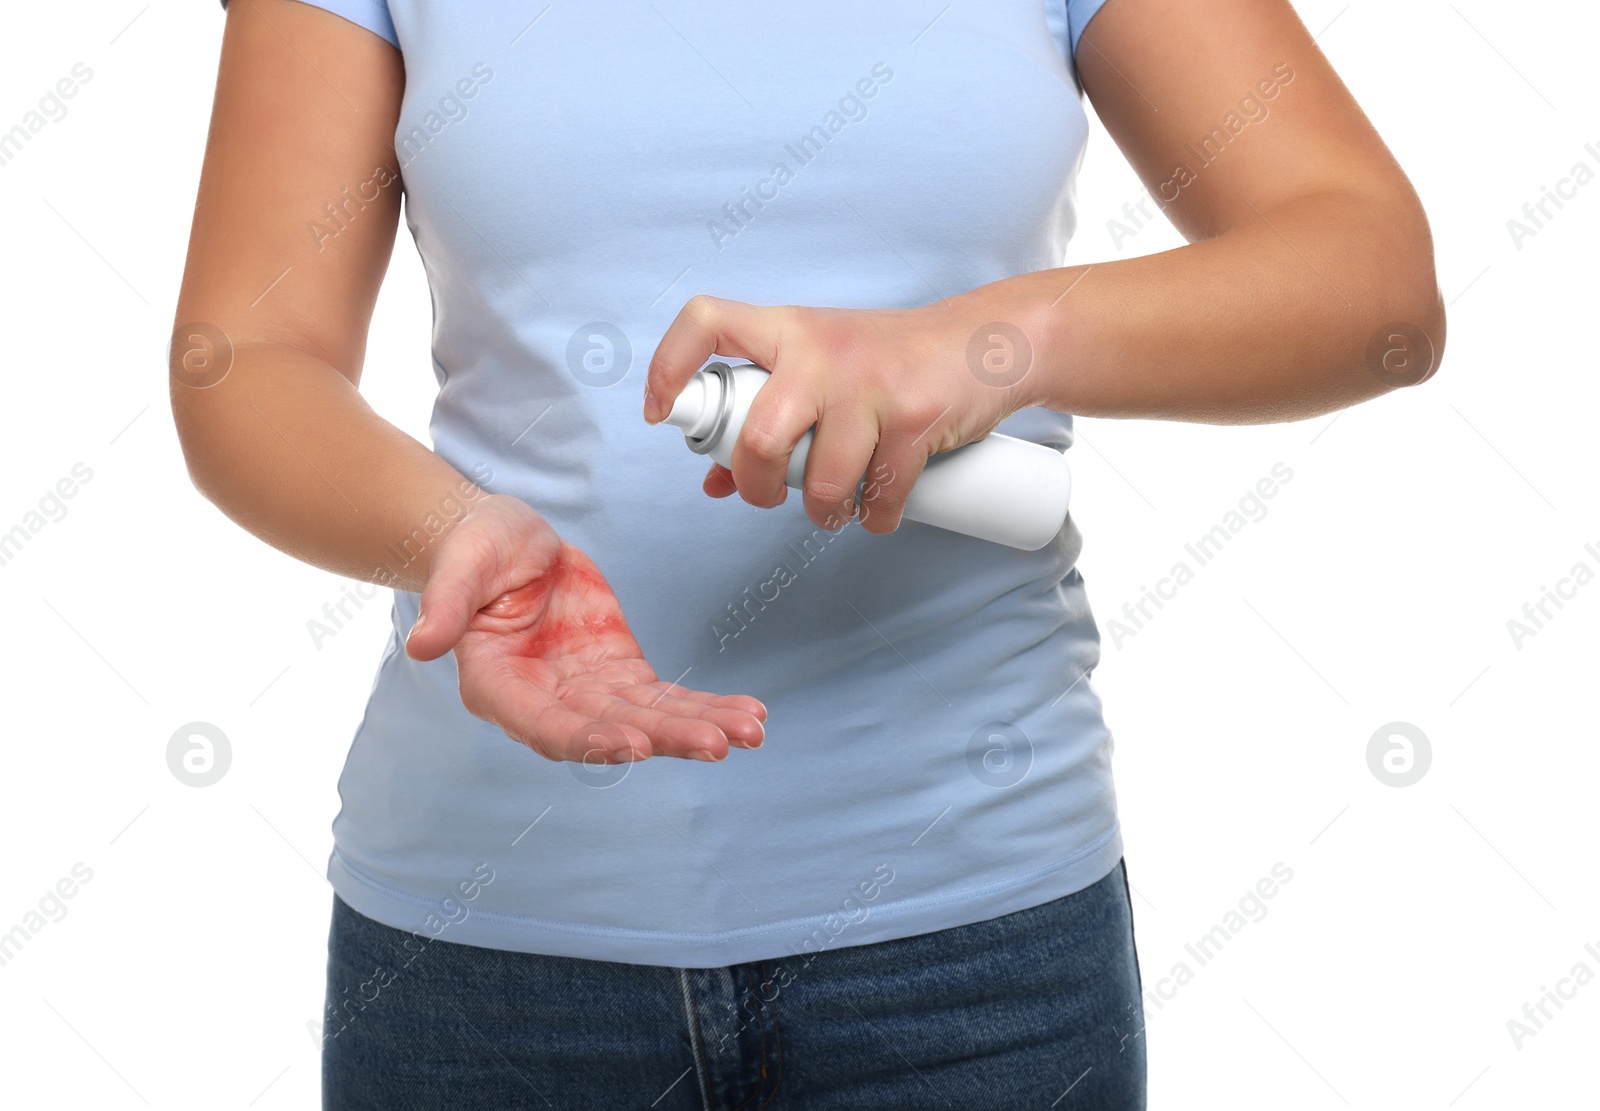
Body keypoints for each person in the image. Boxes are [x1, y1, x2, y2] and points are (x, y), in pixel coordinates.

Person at [171, 0, 1443, 1106]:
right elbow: (246, 359)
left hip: (976, 957)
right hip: (484, 960)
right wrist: (454, 532)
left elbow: (1370, 278)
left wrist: (982, 342)